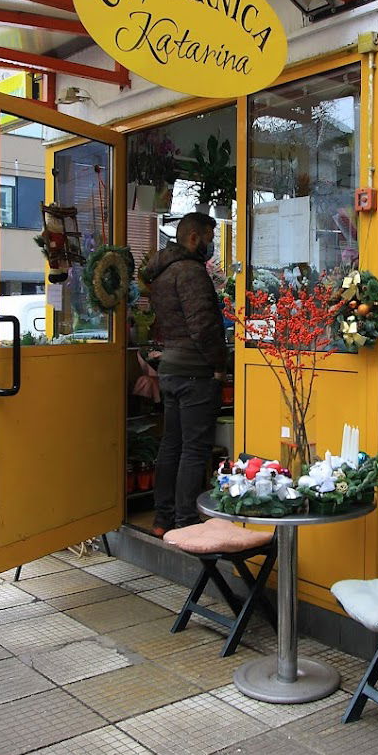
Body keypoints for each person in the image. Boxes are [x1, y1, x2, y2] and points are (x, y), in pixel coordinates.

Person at [141, 213, 226, 536]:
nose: (210, 245)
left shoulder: (162, 272)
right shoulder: (190, 272)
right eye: (208, 238)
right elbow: (203, 326)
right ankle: (186, 521)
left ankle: (163, 518)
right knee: (194, 449)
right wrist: (219, 365)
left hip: (171, 369)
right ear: (193, 237)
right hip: (194, 372)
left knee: (171, 445)